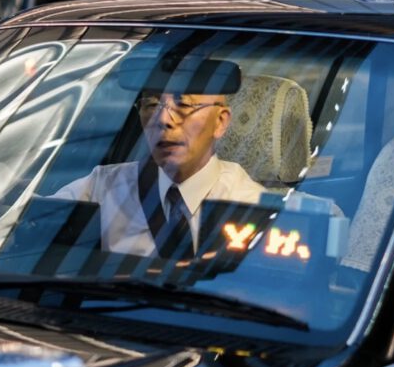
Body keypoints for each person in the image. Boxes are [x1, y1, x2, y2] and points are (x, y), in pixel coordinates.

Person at [51, 86, 265, 258]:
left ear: (220, 122)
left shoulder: (253, 206)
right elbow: (26, 226)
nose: (163, 119)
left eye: (183, 103)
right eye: (152, 104)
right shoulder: (102, 187)